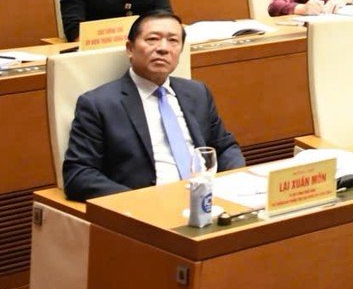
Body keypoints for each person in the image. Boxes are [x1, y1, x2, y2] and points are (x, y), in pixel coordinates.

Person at [61, 11, 244, 199]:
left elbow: (226, 148)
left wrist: (234, 182)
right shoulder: (98, 104)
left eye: (173, 41)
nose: (163, 48)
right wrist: (140, 202)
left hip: (206, 200)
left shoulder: (198, 93)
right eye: (152, 39)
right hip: (144, 209)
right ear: (130, 48)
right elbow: (78, 175)